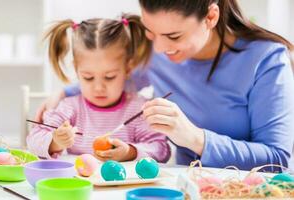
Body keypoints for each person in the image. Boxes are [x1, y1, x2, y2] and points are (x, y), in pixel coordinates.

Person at [36, 0, 294, 171]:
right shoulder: (158, 51)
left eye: (173, 36)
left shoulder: (266, 59)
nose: (158, 48)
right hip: (183, 186)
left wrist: (195, 138)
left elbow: (277, 159)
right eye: (150, 32)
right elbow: (110, 77)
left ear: (211, 16)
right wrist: (62, 93)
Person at [27, 14, 171, 163]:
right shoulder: (70, 108)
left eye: (109, 77)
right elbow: (34, 140)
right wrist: (55, 142)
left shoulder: (139, 110)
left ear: (128, 69)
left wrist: (130, 152)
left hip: (124, 185)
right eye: (88, 77)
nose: (98, 88)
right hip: (79, 184)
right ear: (77, 70)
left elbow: (160, 149)